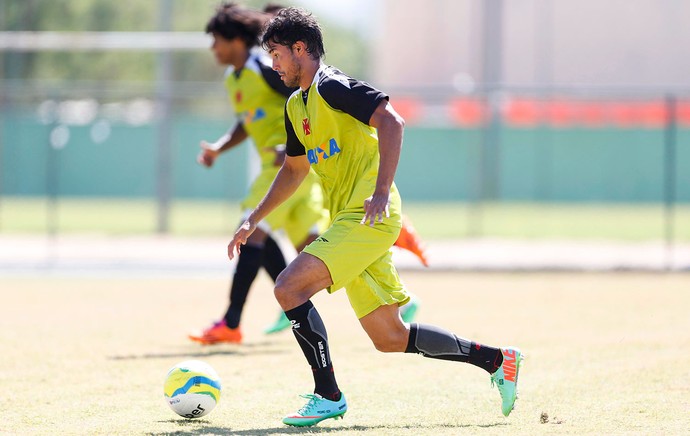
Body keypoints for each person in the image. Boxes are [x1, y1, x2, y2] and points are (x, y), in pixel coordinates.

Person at [227, 7, 523, 427]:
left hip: (368, 217)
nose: (273, 65)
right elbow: (294, 169)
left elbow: (392, 121)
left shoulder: (332, 85)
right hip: (348, 222)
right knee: (390, 337)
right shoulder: (297, 105)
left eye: (276, 54)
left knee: (289, 287)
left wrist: (382, 191)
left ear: (300, 49)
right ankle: (498, 361)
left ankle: (327, 394)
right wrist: (252, 219)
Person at [189, 3, 426, 345]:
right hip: (310, 178)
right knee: (312, 250)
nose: (213, 48)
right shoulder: (248, 84)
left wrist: (380, 190)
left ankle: (233, 321)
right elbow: (257, 128)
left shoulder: (292, 77)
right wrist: (219, 149)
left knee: (271, 256)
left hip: (303, 175)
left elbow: (380, 118)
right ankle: (487, 353)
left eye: (216, 40)